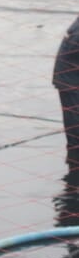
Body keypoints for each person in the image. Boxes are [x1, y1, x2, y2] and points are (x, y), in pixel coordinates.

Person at [53, 16, 79, 175]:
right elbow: (74, 46)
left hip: (71, 76)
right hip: (69, 81)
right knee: (75, 122)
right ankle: (75, 161)